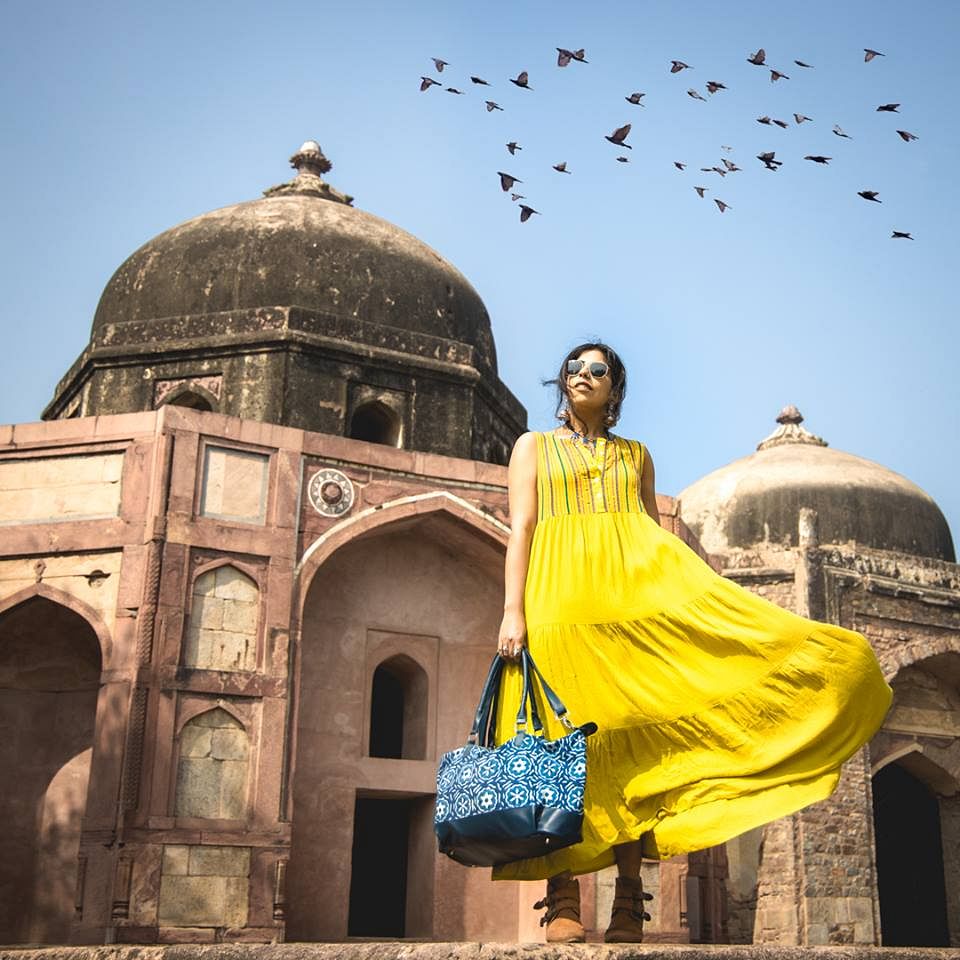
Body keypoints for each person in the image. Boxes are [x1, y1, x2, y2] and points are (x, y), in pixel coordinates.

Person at [492, 341, 892, 943]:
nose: (581, 376)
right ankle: (562, 893)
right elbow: (522, 526)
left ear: (615, 388)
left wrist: (687, 614)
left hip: (627, 615)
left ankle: (629, 900)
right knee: (558, 746)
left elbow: (653, 545)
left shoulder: (636, 457)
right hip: (557, 608)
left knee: (631, 753)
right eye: (573, 367)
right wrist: (511, 611)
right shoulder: (533, 447)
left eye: (596, 369)